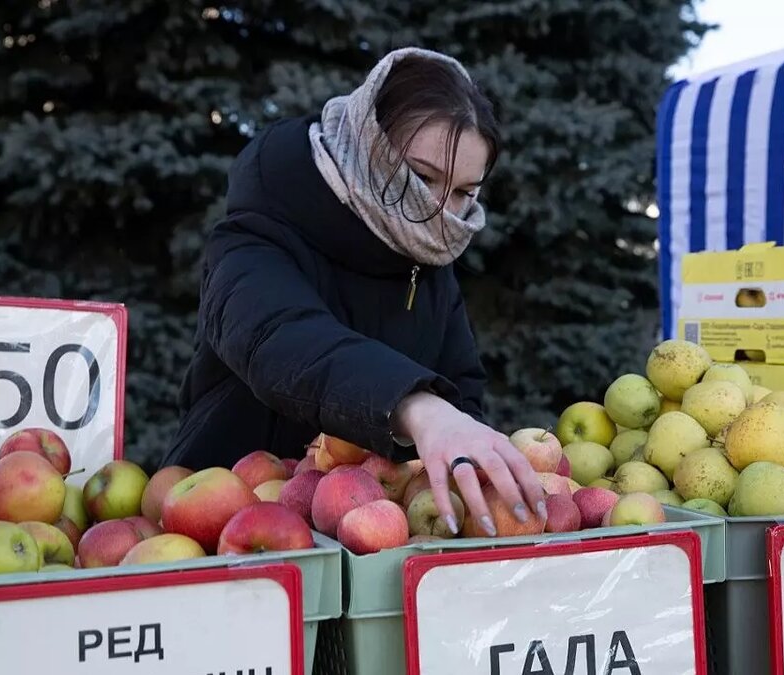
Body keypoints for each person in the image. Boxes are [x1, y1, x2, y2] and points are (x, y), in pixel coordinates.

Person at [162, 47, 545, 538]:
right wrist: (416, 408)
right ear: (371, 144)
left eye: (463, 193)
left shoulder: (428, 260)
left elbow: (462, 386)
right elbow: (276, 335)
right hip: (225, 530)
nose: (439, 211)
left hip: (372, 545)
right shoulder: (257, 229)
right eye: (422, 177)